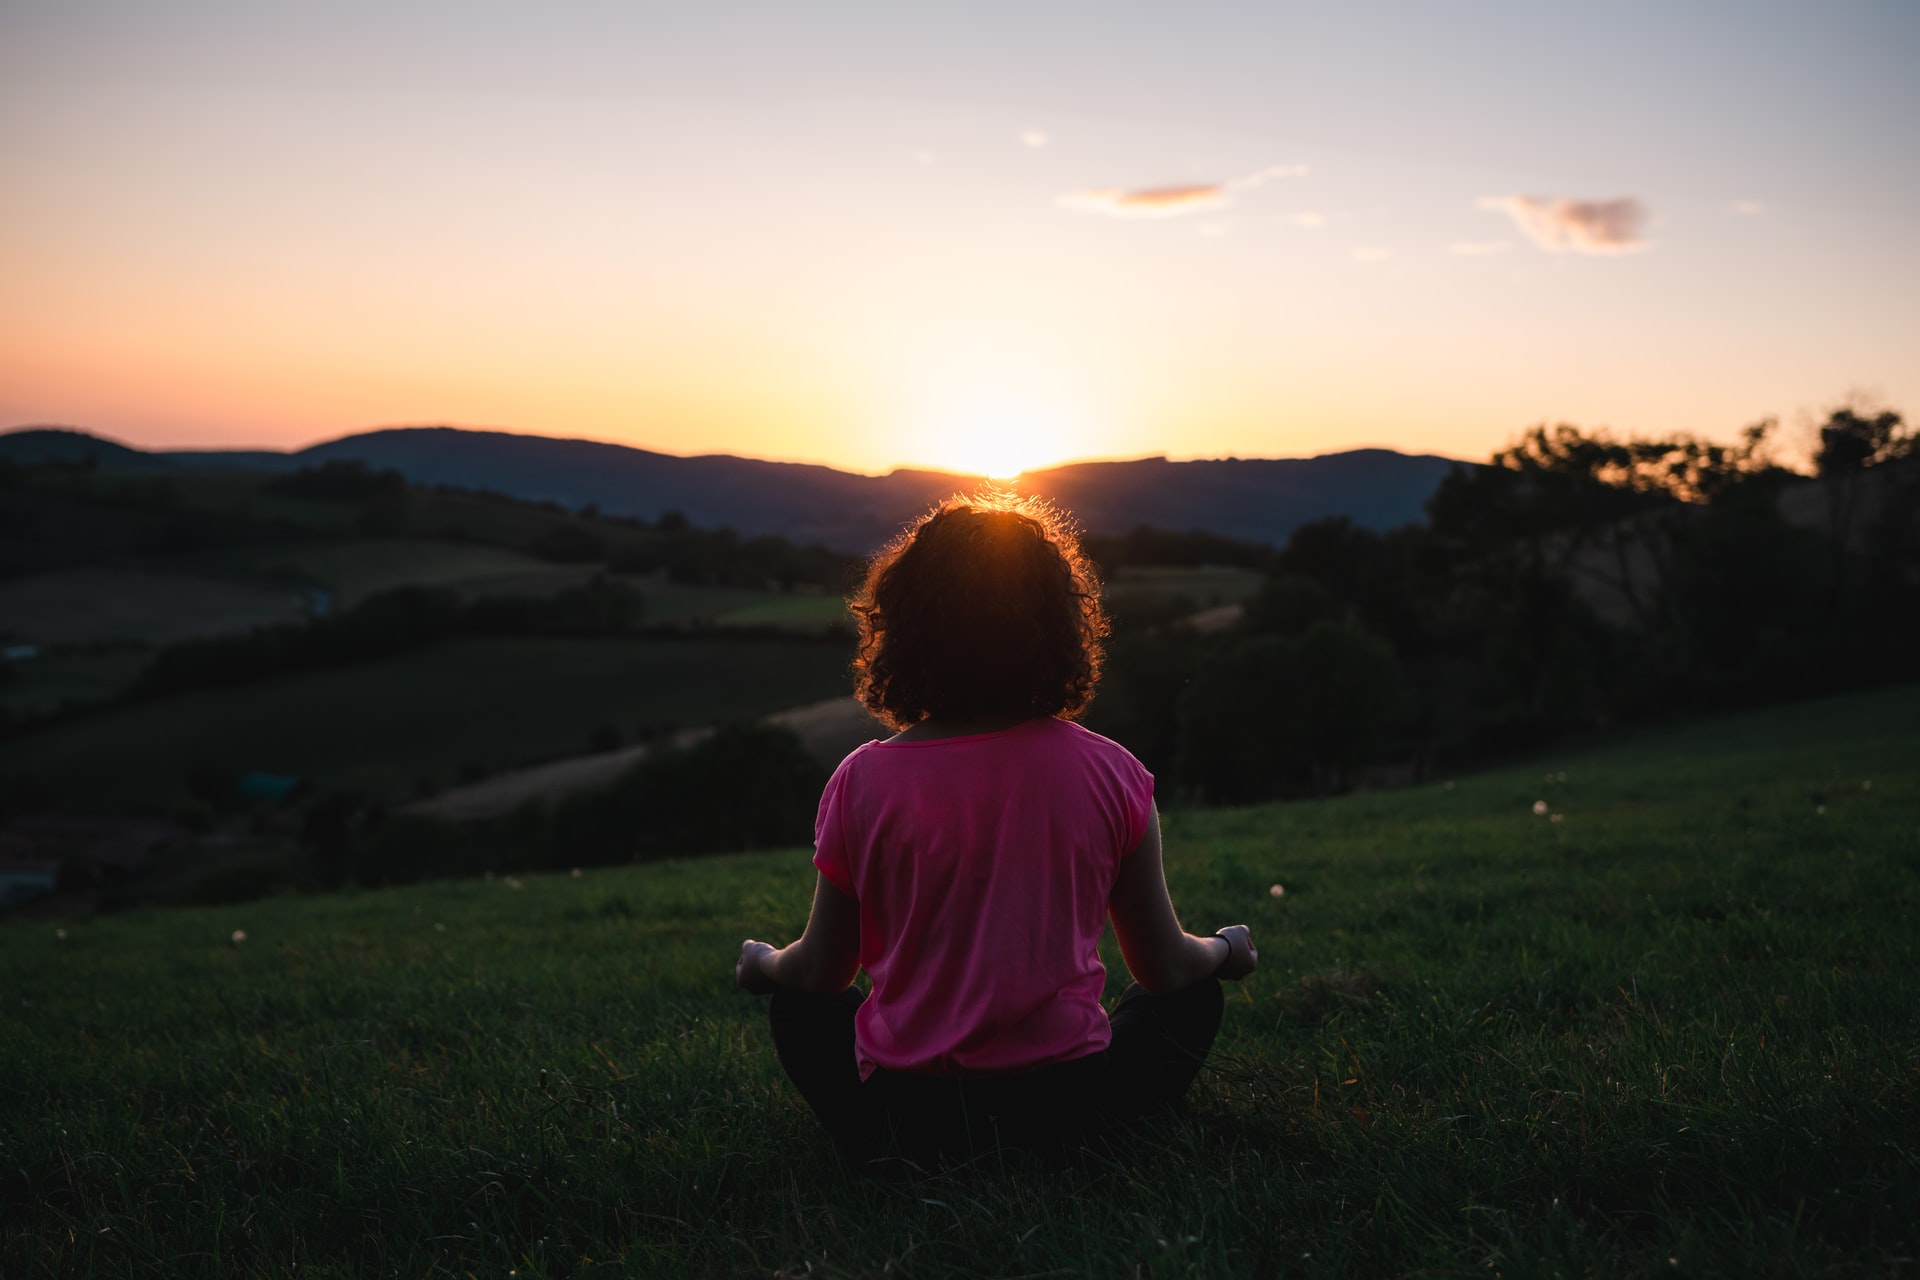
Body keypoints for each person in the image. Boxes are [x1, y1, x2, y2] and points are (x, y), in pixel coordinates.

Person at [735, 492, 1256, 1166]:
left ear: (905, 629)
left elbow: (821, 973)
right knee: (1190, 999)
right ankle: (1099, 1138)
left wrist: (763, 963)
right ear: (1058, 627)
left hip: (906, 1123)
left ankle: (880, 1147)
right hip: (1073, 1115)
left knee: (798, 1006)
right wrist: (1224, 948)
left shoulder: (861, 779)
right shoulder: (1113, 771)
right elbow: (1165, 969)